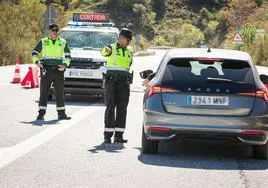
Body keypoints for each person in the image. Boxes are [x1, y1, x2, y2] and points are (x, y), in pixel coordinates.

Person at [32, 23, 71, 121]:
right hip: (46, 69)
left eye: (56, 30)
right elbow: (34, 52)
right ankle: (41, 114)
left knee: (60, 93)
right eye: (53, 30)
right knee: (44, 92)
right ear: (49, 31)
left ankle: (61, 114)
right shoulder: (43, 41)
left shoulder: (63, 42)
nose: (55, 32)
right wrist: (37, 62)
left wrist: (65, 65)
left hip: (58, 70)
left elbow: (68, 56)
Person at [100, 28, 133, 143]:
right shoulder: (112, 47)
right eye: (126, 39)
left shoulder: (129, 51)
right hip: (112, 82)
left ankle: (119, 135)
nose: (128, 42)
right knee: (110, 107)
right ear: (120, 38)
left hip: (124, 83)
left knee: (122, 108)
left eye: (129, 40)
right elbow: (104, 52)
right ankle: (108, 135)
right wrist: (106, 49)